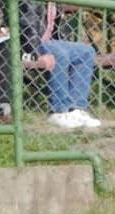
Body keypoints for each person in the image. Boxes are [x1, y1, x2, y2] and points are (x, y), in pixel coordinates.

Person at [20, 0, 102, 129]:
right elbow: (26, 26)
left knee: (86, 52)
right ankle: (58, 111)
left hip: (49, 42)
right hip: (29, 44)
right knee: (60, 54)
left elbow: (55, 29)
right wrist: (36, 51)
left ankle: (76, 109)